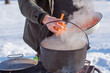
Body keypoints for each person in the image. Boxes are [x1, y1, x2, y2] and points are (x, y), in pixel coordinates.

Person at [18, 0, 79, 72]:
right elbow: (25, 3)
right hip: (44, 34)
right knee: (47, 68)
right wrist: (44, 18)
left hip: (72, 35)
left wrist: (85, 9)